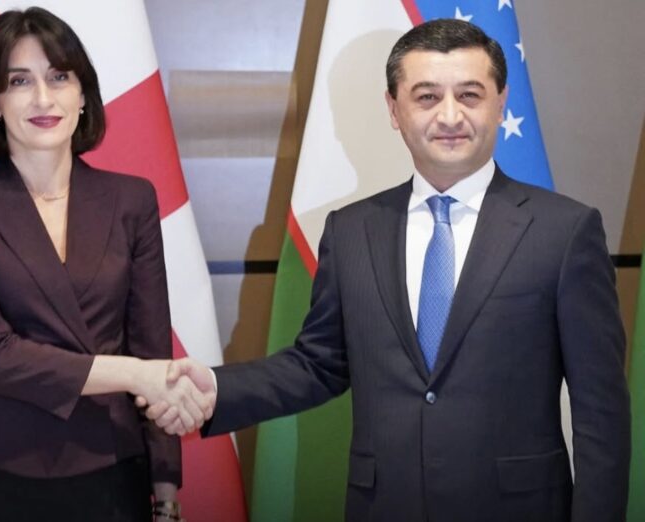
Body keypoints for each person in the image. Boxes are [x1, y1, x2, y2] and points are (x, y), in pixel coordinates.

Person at [144, 19, 631, 522]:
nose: (450, 115)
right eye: (426, 97)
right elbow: (319, 363)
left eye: (469, 95)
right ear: (394, 109)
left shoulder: (564, 232)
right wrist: (216, 389)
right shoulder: (351, 231)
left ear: (501, 102)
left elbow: (601, 411)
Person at [0, 7, 210, 522]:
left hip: (111, 465)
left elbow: (151, 346)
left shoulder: (132, 200)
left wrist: (166, 492)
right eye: (19, 81)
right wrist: (133, 374)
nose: (43, 97)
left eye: (59, 77)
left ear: (83, 95)